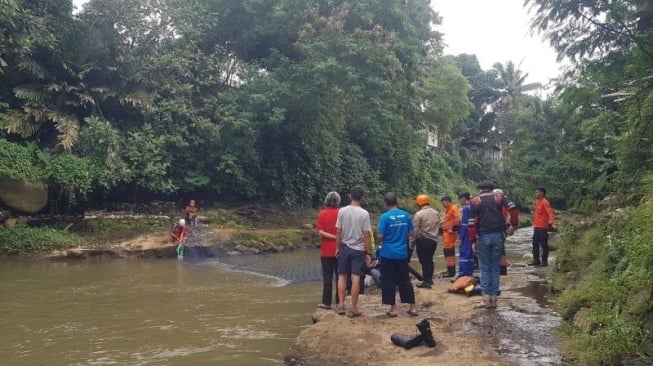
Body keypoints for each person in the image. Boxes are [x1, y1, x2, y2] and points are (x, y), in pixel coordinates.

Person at [469, 181, 519, 309]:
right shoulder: (499, 198)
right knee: (495, 267)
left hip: (483, 236)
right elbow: (513, 209)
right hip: (498, 236)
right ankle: (494, 299)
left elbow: (471, 223)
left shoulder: (475, 201)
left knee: (484, 267)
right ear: (492, 190)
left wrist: (473, 241)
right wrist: (514, 225)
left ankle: (486, 299)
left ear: (481, 190)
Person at [378, 192, 418, 317]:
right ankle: (412, 307)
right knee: (405, 280)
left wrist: (387, 237)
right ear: (397, 202)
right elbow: (412, 233)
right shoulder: (406, 215)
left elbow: (379, 236)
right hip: (402, 253)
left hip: (388, 254)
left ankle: (394, 309)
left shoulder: (384, 217)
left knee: (389, 281)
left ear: (385, 203)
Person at [335, 186, 372, 318]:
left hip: (345, 247)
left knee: (342, 276)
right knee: (355, 277)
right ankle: (354, 308)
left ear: (350, 196)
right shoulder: (364, 214)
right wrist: (367, 252)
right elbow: (366, 234)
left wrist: (337, 247)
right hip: (358, 249)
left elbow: (338, 231)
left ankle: (341, 305)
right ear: (362, 198)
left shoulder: (342, 211)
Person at [316, 191, 340, 310]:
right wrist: (337, 237)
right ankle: (340, 302)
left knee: (327, 277)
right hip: (339, 249)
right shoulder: (341, 213)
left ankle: (326, 303)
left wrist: (332, 236)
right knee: (340, 276)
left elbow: (320, 232)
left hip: (326, 251)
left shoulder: (322, 213)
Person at [411, 194, 441, 288]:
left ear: (419, 203)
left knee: (424, 261)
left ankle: (426, 281)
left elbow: (415, 229)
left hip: (423, 240)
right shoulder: (436, 212)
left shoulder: (419, 214)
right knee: (430, 260)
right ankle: (430, 279)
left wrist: (412, 241)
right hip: (434, 240)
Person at [530, 186, 556, 267]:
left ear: (542, 193)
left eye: (537, 192)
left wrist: (552, 223)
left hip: (543, 227)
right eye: (535, 192)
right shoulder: (537, 202)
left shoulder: (545, 202)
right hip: (537, 226)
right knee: (535, 243)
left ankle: (544, 261)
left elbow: (550, 213)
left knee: (543, 244)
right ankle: (536, 260)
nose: (535, 194)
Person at [440, 195, 461, 278]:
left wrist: (454, 228)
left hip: (450, 233)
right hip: (447, 233)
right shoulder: (448, 210)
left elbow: (458, 219)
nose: (443, 205)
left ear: (447, 201)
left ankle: (451, 271)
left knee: (449, 251)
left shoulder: (453, 208)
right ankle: (450, 269)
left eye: (443, 203)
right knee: (447, 251)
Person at [457, 192, 474, 278]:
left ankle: (463, 274)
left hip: (466, 234)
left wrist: (460, 238)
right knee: (470, 254)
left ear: (463, 198)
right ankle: (469, 273)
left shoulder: (466, 208)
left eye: (460, 200)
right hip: (472, 233)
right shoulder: (473, 206)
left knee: (464, 253)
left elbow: (464, 224)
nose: (460, 202)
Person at [493, 188, 510, 275]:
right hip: (501, 228)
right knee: (500, 248)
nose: (495, 197)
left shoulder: (502, 204)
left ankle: (502, 268)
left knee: (500, 248)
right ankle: (502, 268)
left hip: (500, 228)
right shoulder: (504, 203)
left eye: (496, 195)